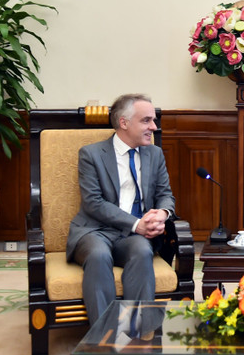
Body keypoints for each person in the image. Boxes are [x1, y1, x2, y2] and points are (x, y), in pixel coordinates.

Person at [66, 93, 175, 324]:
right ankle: (104, 336)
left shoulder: (154, 154)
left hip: (132, 236)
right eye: (146, 120)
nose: (154, 127)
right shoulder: (92, 154)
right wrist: (137, 224)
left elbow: (165, 195)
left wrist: (162, 214)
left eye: (153, 120)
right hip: (95, 231)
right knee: (98, 255)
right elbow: (93, 202)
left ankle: (136, 332)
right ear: (124, 123)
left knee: (143, 252)